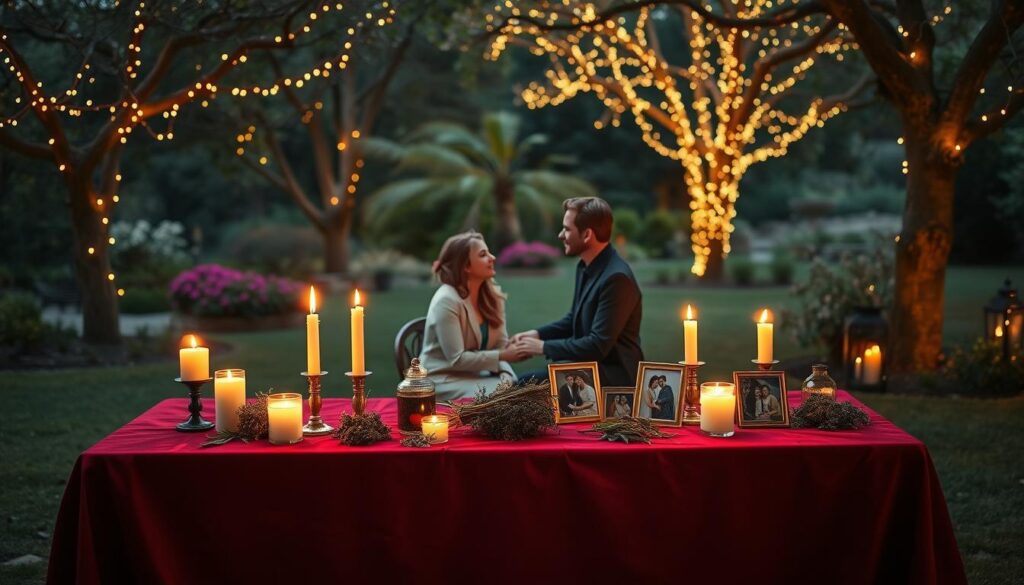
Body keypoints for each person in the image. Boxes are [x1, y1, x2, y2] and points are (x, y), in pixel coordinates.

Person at [509, 197, 644, 386]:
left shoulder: (617, 278)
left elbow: (597, 346)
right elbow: (574, 319)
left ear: (587, 234)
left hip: (614, 381)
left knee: (523, 384)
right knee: (521, 383)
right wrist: (537, 334)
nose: (560, 235)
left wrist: (542, 347)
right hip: (587, 370)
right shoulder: (584, 266)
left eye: (567, 229)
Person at [418, 231, 530, 400]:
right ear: (466, 266)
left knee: (514, 391)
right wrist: (504, 356)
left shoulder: (494, 296)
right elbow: (457, 360)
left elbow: (499, 344)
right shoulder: (446, 300)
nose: (492, 258)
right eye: (483, 255)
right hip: (443, 379)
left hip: (478, 374)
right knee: (505, 396)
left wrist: (517, 347)